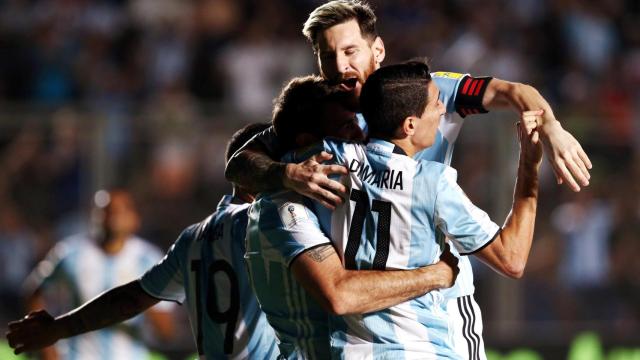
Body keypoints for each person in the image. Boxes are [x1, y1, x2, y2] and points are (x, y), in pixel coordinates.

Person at [227, 1, 588, 358]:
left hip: (430, 308)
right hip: (369, 309)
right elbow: (240, 164)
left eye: (350, 51)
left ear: (378, 49)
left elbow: (513, 92)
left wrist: (552, 126)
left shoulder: (424, 93)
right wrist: (287, 175)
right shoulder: (324, 118)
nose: (340, 65)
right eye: (328, 55)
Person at [282, 61, 542, 358]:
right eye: (435, 104)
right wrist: (529, 167)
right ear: (409, 125)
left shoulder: (331, 159)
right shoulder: (432, 183)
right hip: (425, 349)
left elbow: (257, 152)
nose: (443, 110)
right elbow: (512, 259)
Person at [6, 123, 280, 360]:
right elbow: (35, 289)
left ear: (134, 219)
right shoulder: (271, 226)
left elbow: (142, 307)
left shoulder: (188, 240)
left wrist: (56, 329)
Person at [244, 75, 460, 359]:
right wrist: (436, 274)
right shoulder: (284, 206)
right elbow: (340, 294)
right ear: (308, 144)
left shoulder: (339, 198)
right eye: (347, 128)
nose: (361, 137)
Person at [11, 189, 174, 360]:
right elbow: (33, 290)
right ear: (93, 215)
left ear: (134, 219)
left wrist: (141, 295)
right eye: (106, 210)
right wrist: (46, 347)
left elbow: (166, 332)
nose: (113, 217)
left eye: (120, 211)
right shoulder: (71, 253)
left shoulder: (148, 259)